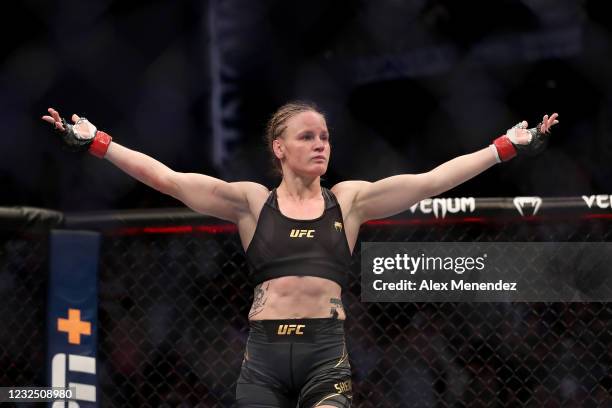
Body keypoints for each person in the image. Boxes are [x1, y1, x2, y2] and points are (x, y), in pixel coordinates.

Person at [42, 103, 559, 407]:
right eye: (306, 136)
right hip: (263, 355)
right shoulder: (251, 202)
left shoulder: (350, 200)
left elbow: (432, 180)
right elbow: (170, 180)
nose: (320, 144)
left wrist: (505, 147)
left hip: (324, 353)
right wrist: (98, 143)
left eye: (326, 137)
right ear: (279, 148)